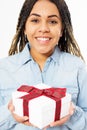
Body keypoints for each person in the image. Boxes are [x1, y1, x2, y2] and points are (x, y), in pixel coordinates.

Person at [0, 0, 87, 130]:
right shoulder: (3, 68)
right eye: (35, 20)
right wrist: (10, 113)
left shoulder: (77, 68)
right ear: (24, 27)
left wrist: (71, 113)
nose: (44, 29)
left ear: (61, 29)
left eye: (52, 22)